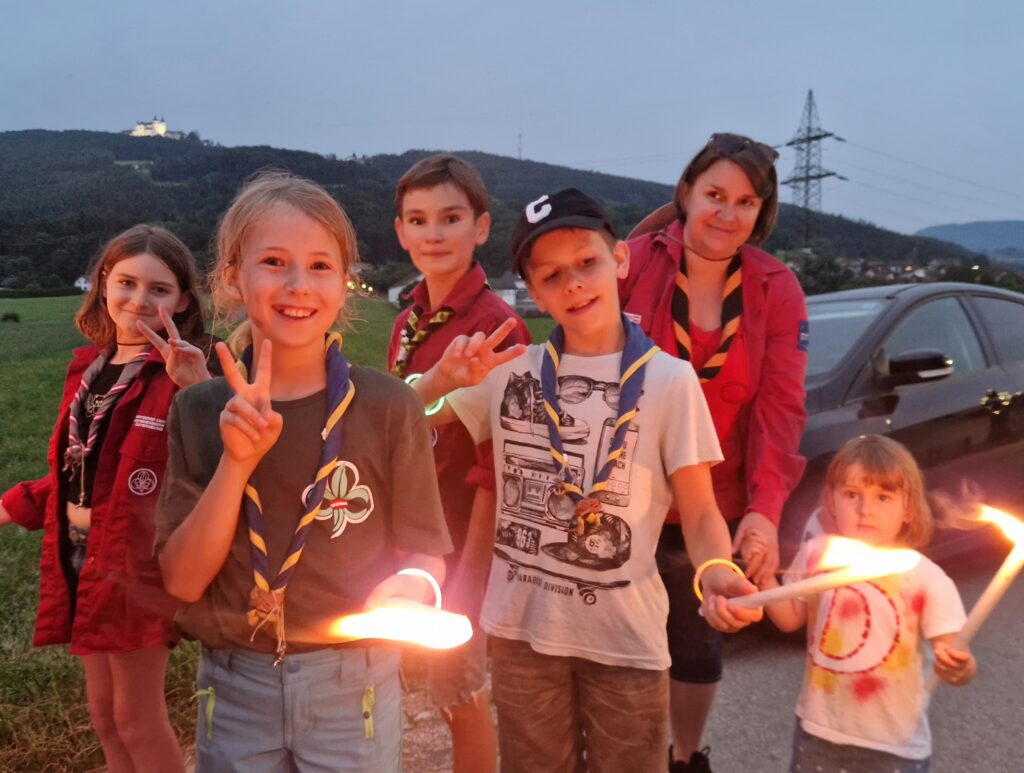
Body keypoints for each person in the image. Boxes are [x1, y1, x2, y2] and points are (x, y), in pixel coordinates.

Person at [409, 188, 762, 773]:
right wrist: (438, 379)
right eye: (550, 274)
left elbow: (699, 512)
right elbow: (403, 416)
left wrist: (718, 573)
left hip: (627, 643)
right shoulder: (509, 372)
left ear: (619, 260)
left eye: (587, 262)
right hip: (520, 636)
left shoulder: (670, 382)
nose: (572, 282)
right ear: (533, 289)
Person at [154, 170, 452, 772]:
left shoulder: (390, 406)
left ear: (346, 283)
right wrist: (236, 465)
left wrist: (414, 589)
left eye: (320, 266)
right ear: (232, 278)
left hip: (354, 682)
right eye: (273, 261)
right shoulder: (199, 408)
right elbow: (183, 582)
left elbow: (425, 552)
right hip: (236, 685)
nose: (298, 285)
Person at [619, 132, 809, 772]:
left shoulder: (774, 287)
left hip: (714, 502)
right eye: (715, 196)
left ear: (762, 213)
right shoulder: (634, 264)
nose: (728, 215)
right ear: (686, 194)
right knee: (622, 641)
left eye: (746, 203)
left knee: (699, 640)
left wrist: (766, 510)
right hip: (624, 497)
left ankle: (684, 755)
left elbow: (781, 408)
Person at [0, 224, 215, 773]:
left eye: (159, 289)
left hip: (135, 566)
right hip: (80, 557)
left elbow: (220, 460)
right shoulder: (88, 369)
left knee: (138, 718)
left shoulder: (181, 373)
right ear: (102, 282)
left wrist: (199, 388)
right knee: (103, 715)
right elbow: (84, 469)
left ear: (183, 299)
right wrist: (14, 505)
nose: (139, 300)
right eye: (125, 282)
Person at [388, 153, 531, 773]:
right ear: (400, 232)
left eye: (450, 218)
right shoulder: (407, 320)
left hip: (460, 543)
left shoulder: (498, 329)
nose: (433, 234)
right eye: (418, 220)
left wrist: (468, 581)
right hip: (409, 531)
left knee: (461, 693)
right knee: (434, 691)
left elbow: (500, 471)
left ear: (481, 227)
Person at [756, 435, 977, 772]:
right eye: (851, 495)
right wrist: (764, 581)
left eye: (883, 497)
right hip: (819, 734)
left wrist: (959, 667)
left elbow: (956, 655)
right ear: (831, 500)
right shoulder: (818, 555)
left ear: (908, 509)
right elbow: (790, 619)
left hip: (894, 746)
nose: (865, 509)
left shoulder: (924, 577)